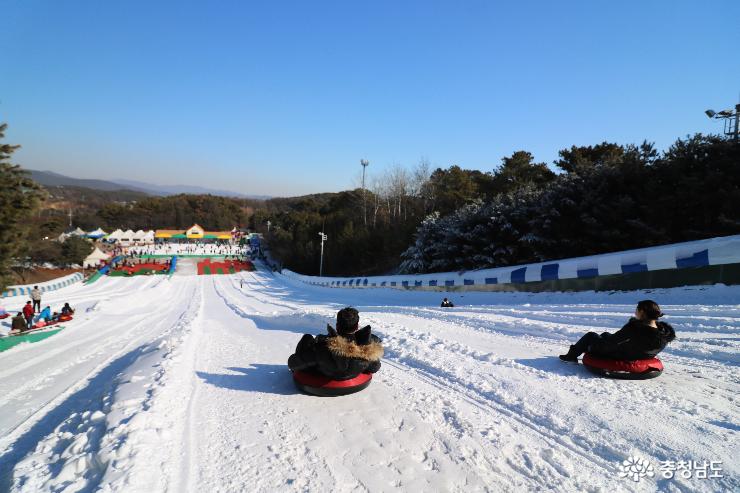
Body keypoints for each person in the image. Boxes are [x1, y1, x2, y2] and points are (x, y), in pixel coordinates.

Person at [559, 300, 676, 362]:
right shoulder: (663, 332)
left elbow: (612, 342)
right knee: (605, 334)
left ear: (642, 312)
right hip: (640, 354)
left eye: (637, 310)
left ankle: (571, 356)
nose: (635, 312)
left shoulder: (635, 328)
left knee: (591, 335)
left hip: (622, 355)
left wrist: (595, 346)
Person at [288, 307, 384, 380]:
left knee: (307, 337)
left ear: (337, 326)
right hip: (350, 375)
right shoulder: (366, 350)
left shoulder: (324, 348)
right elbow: (375, 367)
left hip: (326, 374)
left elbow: (292, 363)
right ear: (357, 326)